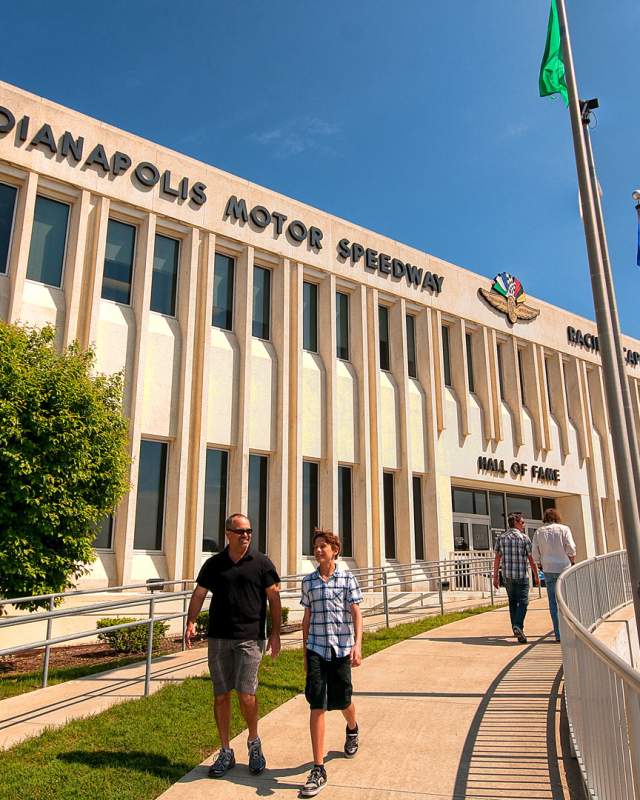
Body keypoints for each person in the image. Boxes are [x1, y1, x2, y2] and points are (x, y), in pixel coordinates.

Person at [184, 513, 281, 778]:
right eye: (241, 531)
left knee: (246, 693)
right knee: (221, 694)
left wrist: (275, 632)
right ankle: (225, 750)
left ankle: (253, 743)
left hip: (250, 637)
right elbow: (199, 593)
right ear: (228, 533)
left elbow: (274, 598)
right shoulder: (214, 564)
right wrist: (191, 621)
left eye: (249, 531)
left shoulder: (262, 563)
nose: (246, 535)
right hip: (218, 638)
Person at [299, 530, 363, 797]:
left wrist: (358, 645)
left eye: (323, 546)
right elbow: (307, 617)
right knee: (317, 703)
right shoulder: (309, 581)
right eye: (315, 547)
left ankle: (352, 728)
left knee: (343, 700)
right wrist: (304, 653)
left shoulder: (347, 578)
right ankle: (318, 767)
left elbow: (356, 613)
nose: (318, 550)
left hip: (340, 649)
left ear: (334, 549)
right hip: (316, 648)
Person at [493, 512, 539, 643]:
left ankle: (515, 628)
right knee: (523, 602)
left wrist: (495, 576)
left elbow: (497, 558)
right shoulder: (524, 538)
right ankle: (518, 625)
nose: (524, 525)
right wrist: (536, 576)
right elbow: (531, 559)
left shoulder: (501, 538)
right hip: (521, 576)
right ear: (516, 523)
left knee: (512, 602)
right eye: (523, 522)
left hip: (507, 576)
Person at [532, 508, 576, 642]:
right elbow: (571, 547)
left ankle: (558, 633)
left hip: (548, 568)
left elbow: (535, 550)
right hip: (564, 567)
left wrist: (539, 563)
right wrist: (572, 560)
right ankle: (569, 630)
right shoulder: (564, 529)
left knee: (553, 602)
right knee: (566, 600)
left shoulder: (539, 532)